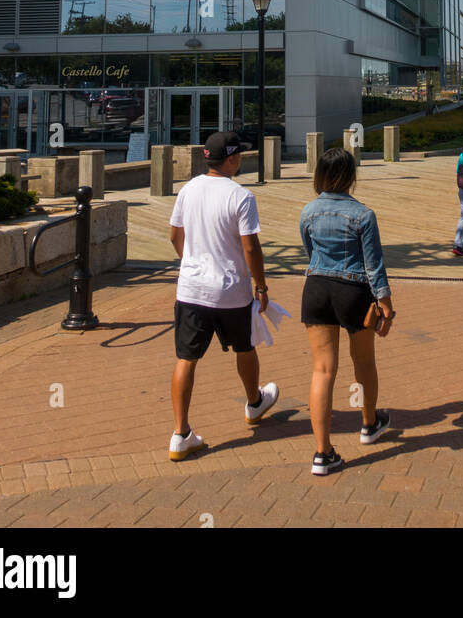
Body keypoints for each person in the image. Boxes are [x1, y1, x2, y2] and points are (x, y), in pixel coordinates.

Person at [167, 131, 279, 463]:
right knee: (245, 347)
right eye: (239, 156)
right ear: (230, 159)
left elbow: (175, 235)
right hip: (230, 291)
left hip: (191, 288)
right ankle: (254, 402)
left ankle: (180, 433)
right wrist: (260, 285)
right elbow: (250, 246)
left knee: (186, 358)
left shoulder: (188, 190)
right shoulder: (241, 196)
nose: (241, 160)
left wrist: (191, 262)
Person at [299, 146, 394, 476]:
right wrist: (385, 303)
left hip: (316, 289)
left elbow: (310, 252)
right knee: (364, 360)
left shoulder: (308, 212)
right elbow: (374, 265)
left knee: (322, 370)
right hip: (353, 291)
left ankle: (322, 453)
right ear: (351, 176)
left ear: (320, 175)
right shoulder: (363, 215)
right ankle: (369, 424)